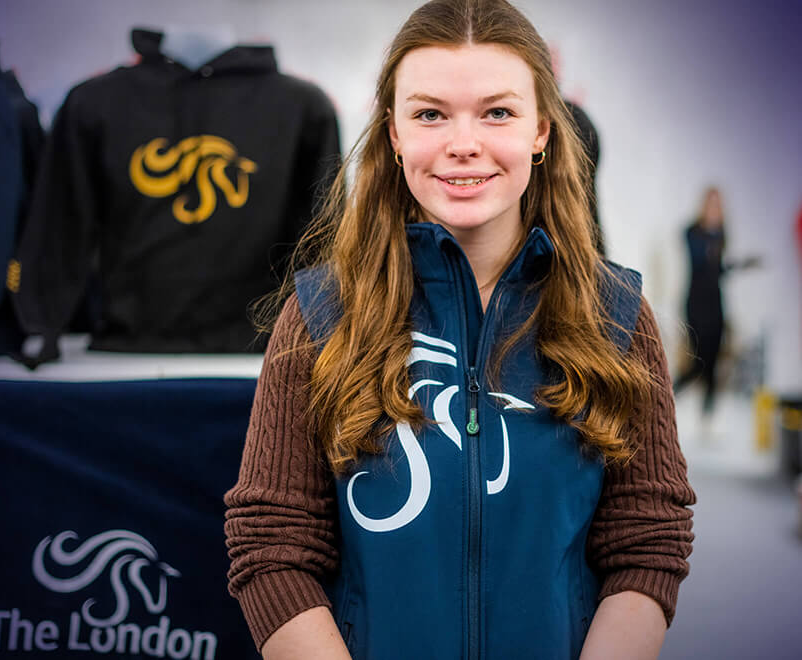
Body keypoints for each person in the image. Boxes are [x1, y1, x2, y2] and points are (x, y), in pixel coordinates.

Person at [224, 1, 695, 658]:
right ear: (393, 134)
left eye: (497, 112)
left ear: (542, 130)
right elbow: (271, 547)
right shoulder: (320, 314)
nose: (463, 142)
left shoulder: (615, 317)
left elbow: (646, 542)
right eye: (430, 113)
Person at [674, 186, 759, 414]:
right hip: (696, 304)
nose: (714, 209)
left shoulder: (721, 234)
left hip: (716, 304)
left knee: (712, 364)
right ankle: (667, 395)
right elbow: (701, 262)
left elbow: (718, 270)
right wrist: (713, 243)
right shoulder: (692, 232)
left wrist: (741, 265)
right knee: (697, 364)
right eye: (711, 203)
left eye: (718, 204)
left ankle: (707, 417)